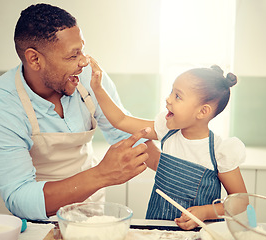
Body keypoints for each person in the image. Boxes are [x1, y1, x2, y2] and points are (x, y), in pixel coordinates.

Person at [0, 3, 160, 220]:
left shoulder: (88, 77)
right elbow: (19, 197)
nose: (84, 61)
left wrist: (185, 179)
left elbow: (127, 135)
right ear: (35, 59)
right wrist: (102, 174)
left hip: (92, 209)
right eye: (73, 56)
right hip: (42, 219)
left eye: (82, 50)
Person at [90, 60, 248, 230]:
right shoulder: (166, 130)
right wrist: (98, 89)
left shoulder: (220, 151)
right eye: (171, 92)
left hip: (199, 233)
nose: (168, 99)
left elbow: (240, 202)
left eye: (177, 96)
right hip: (157, 228)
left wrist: (205, 211)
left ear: (203, 111)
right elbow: (121, 120)